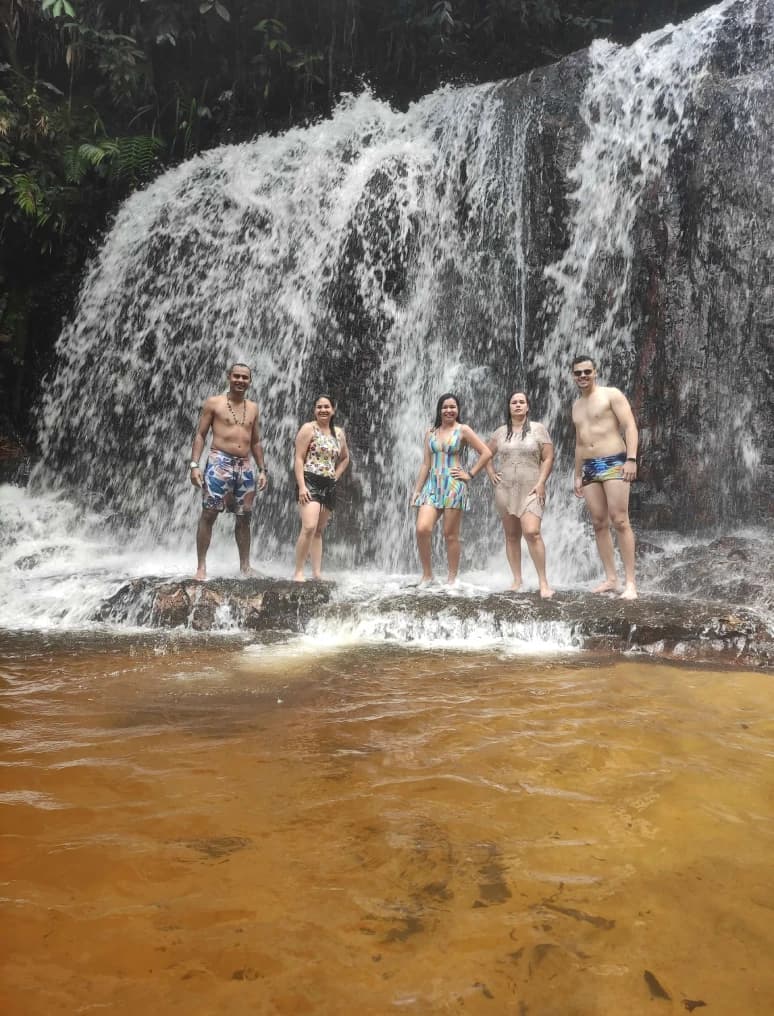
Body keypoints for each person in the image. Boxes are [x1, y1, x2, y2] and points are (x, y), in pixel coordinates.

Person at [189, 363, 268, 580]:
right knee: (209, 513)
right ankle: (201, 567)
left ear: (250, 381)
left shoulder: (253, 407)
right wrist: (194, 465)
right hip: (219, 463)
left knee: (244, 517)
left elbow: (256, 441)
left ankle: (245, 566)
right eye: (237, 376)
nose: (240, 380)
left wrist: (262, 469)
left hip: (245, 466)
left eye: (245, 377)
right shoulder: (214, 403)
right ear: (229, 377)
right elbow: (200, 435)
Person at [571, 355, 639, 599]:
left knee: (620, 520)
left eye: (587, 372)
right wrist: (577, 474)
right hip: (589, 466)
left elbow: (630, 426)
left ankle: (630, 583)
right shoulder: (576, 406)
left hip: (614, 462)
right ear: (573, 376)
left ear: (595, 372)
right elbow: (579, 442)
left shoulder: (611, 394)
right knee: (599, 522)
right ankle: (611, 578)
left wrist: (631, 459)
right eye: (578, 373)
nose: (583, 376)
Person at [411, 393, 492, 585]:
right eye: (445, 407)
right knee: (422, 528)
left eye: (453, 407)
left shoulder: (463, 430)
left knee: (450, 534)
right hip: (432, 485)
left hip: (454, 485)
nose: (449, 410)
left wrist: (469, 474)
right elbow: (425, 464)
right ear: (440, 410)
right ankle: (427, 575)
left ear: (458, 410)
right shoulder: (430, 432)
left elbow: (486, 452)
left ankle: (452, 578)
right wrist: (417, 491)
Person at [486, 391, 555, 597]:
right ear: (509, 407)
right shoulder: (500, 433)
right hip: (505, 488)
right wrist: (491, 473)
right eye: (513, 402)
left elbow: (548, 458)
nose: (517, 405)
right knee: (511, 535)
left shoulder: (538, 429)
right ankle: (517, 579)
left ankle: (544, 582)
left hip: (531, 486)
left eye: (521, 402)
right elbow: (486, 454)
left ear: (527, 407)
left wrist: (542, 482)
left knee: (532, 532)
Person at [292, 394, 351, 582]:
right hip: (310, 481)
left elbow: (345, 458)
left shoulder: (339, 433)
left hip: (328, 484)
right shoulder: (309, 428)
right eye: (319, 407)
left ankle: (317, 572)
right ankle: (298, 571)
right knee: (308, 526)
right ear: (314, 410)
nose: (323, 410)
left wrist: (336, 476)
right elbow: (299, 458)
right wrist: (302, 486)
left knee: (318, 531)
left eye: (327, 407)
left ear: (333, 410)